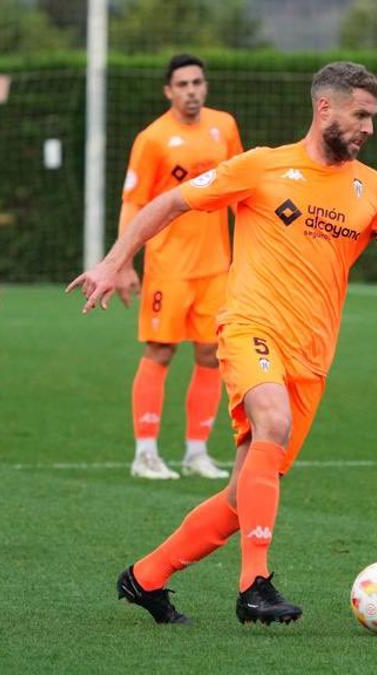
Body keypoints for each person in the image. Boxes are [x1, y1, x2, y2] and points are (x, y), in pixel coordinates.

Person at [69, 62, 377, 625]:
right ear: (326, 108)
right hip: (251, 327)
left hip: (312, 356)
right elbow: (171, 202)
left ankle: (145, 577)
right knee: (271, 421)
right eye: (361, 114)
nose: (370, 127)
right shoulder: (262, 167)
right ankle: (256, 586)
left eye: (374, 117)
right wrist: (113, 260)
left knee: (239, 499)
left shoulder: (375, 191)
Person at [116, 54, 243, 481]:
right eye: (183, 84)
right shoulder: (153, 138)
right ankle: (145, 453)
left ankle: (196, 452)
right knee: (161, 351)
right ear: (168, 91)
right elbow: (134, 201)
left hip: (216, 267)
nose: (191, 90)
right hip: (168, 266)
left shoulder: (223, 126)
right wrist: (123, 261)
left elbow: (242, 186)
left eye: (197, 83)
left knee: (211, 354)